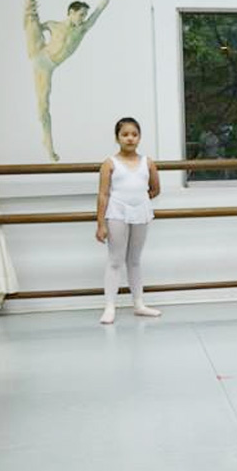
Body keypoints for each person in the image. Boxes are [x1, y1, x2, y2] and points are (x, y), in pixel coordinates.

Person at [23, 0, 118, 162]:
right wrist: (34, 25)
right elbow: (37, 27)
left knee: (43, 107)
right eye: (81, 14)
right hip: (39, 51)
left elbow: (99, 11)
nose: (83, 18)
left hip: (47, 66)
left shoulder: (82, 29)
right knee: (31, 17)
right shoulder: (54, 25)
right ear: (71, 13)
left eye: (84, 15)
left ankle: (48, 145)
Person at [95, 117, 160, 324]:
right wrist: (101, 224)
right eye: (125, 134)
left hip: (141, 212)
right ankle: (109, 306)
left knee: (134, 260)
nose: (130, 138)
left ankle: (139, 304)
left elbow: (155, 189)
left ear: (139, 137)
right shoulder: (109, 163)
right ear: (117, 138)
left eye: (134, 134)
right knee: (115, 260)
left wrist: (139, 201)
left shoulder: (148, 162)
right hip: (116, 212)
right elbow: (103, 194)